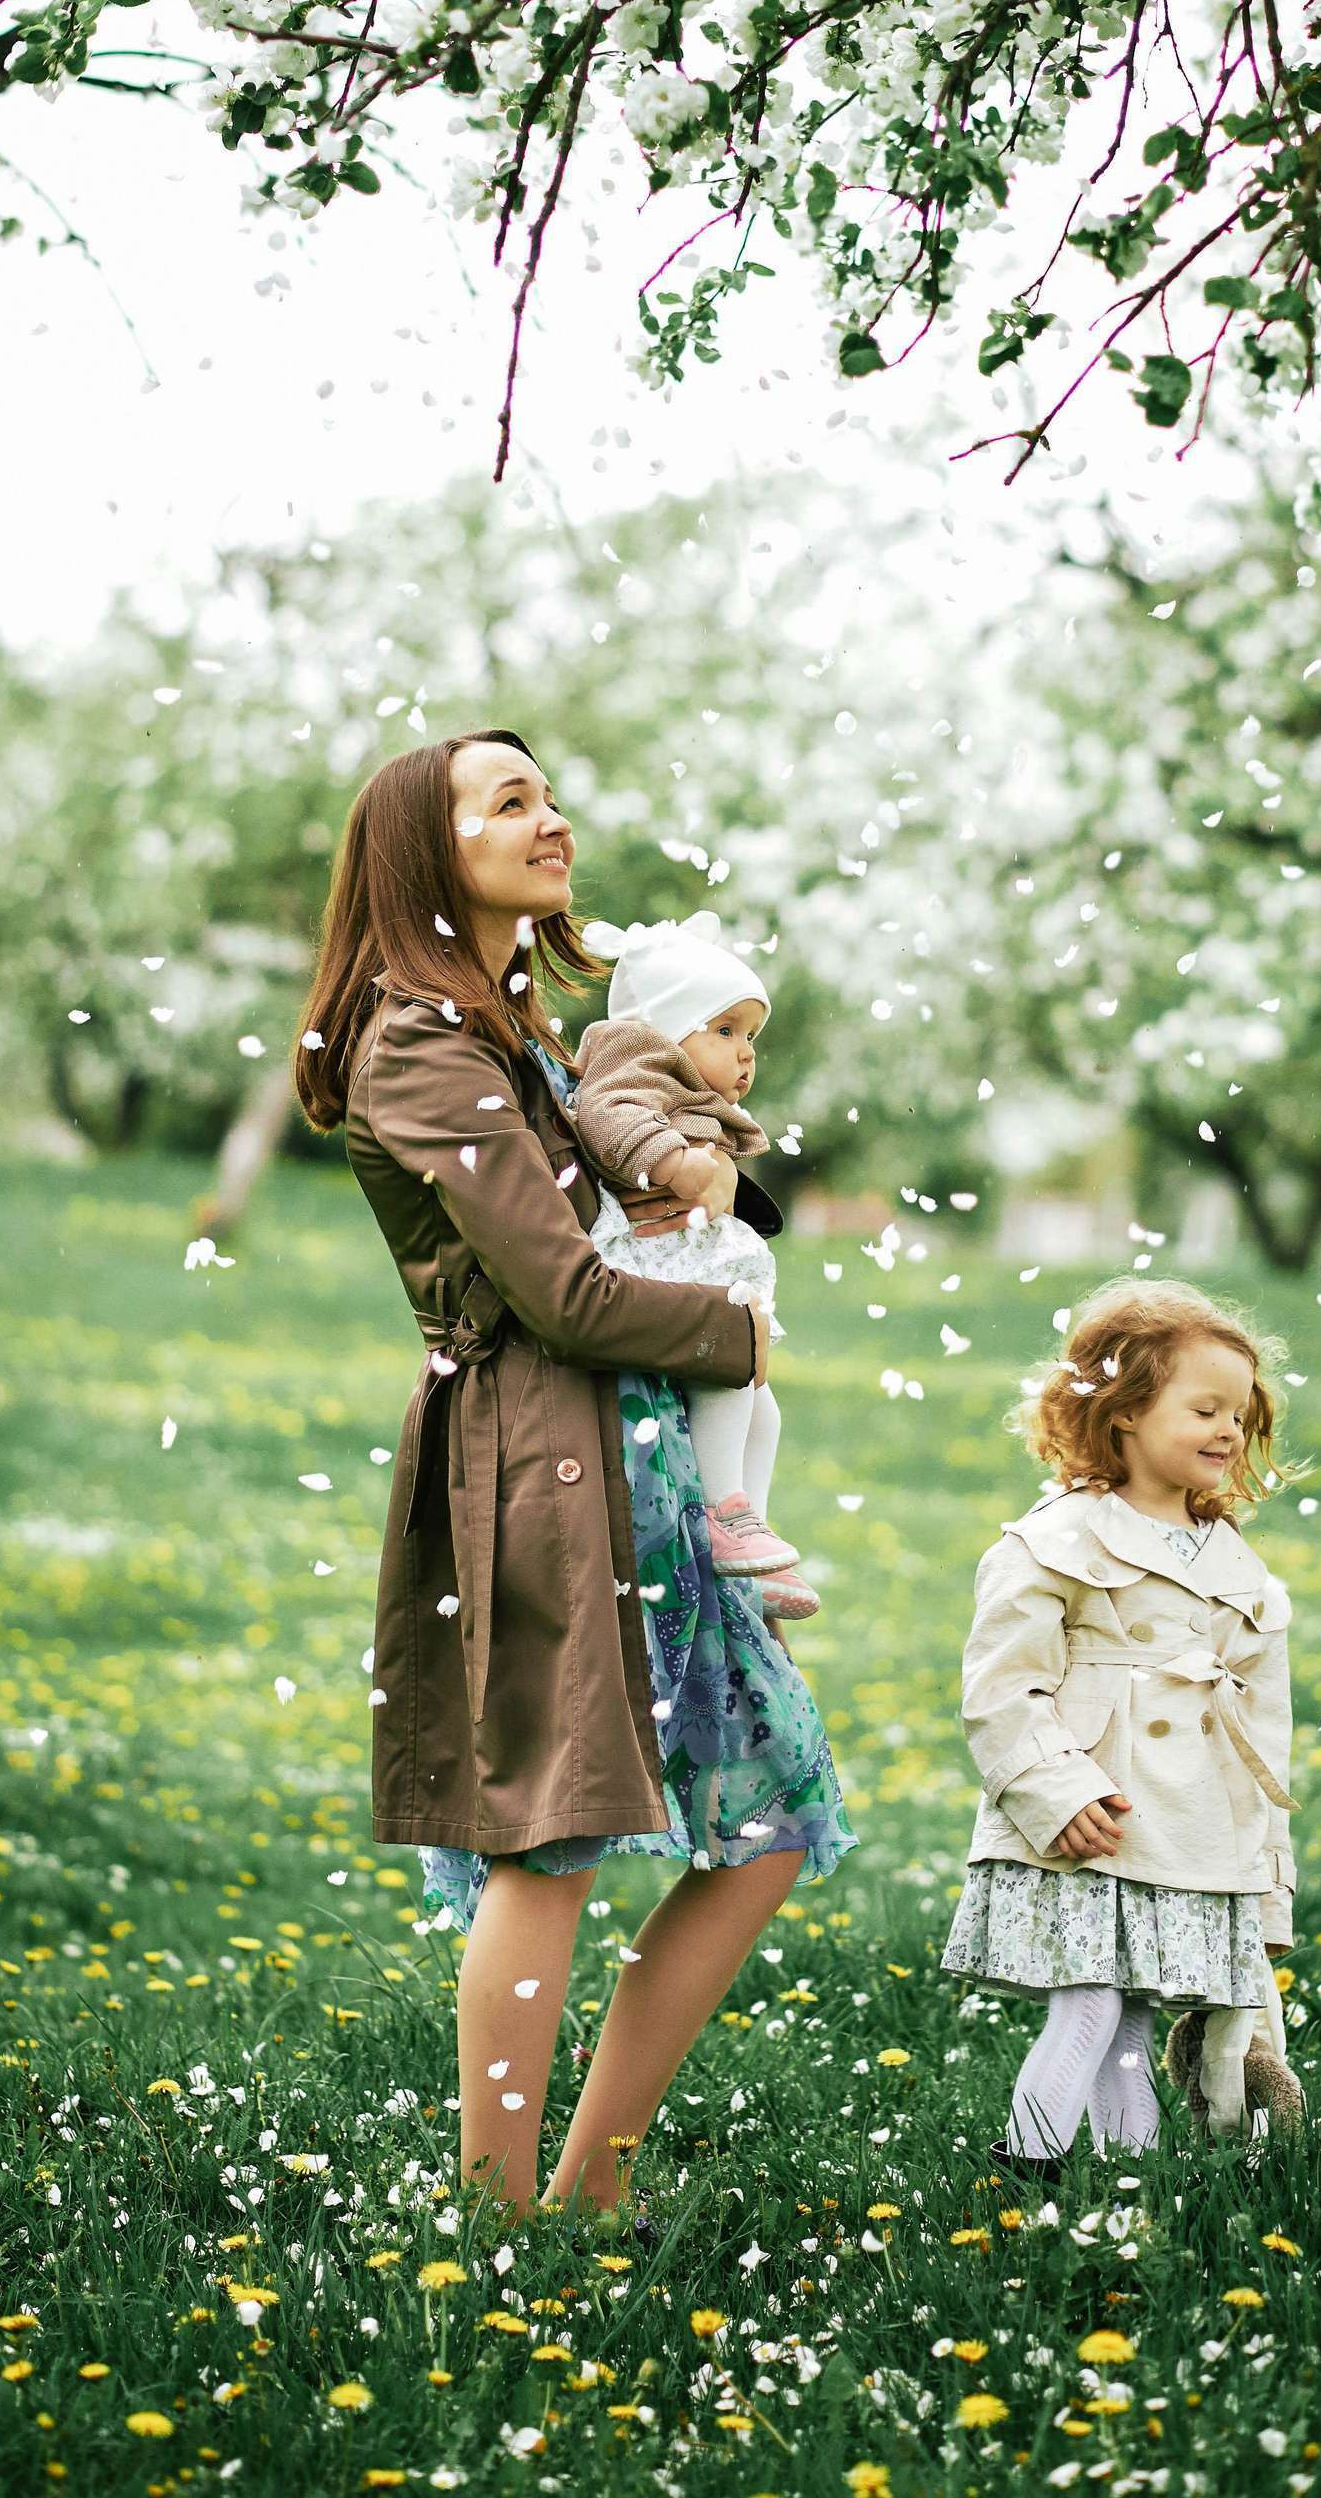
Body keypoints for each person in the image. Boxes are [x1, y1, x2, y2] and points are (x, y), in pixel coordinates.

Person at [293, 728, 855, 2227]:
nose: (552, 819)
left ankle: (594, 2178)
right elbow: (563, 1297)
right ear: (430, 848)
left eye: (550, 793)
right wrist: (742, 1328)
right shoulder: (413, 1041)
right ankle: (495, 2211)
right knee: (549, 1838)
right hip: (534, 1462)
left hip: (650, 1464)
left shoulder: (521, 1021)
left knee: (770, 1821)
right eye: (510, 800)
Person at [940, 1278, 1305, 2170]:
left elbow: (1263, 1734)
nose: (1228, 1430)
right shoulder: (1057, 1539)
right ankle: (1028, 2157)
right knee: (1092, 1998)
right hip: (1091, 1814)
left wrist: (1266, 1867)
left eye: (1241, 1415)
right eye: (1204, 1407)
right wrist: (1053, 1787)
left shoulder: (1237, 1566)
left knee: (1133, 2006)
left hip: (1189, 1825)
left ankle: (1127, 2174)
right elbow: (1003, 1684)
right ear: (1126, 1409)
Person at [571, 910, 816, 1620]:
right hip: (650, 1259)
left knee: (760, 1411)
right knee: (727, 1375)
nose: (746, 1055)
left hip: (683, 1259)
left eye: (751, 1037)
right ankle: (722, 1509)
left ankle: (750, 1537)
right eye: (726, 1030)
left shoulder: (683, 1087)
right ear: (667, 1027)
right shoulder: (633, 1061)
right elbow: (605, 1113)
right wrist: (675, 1160)